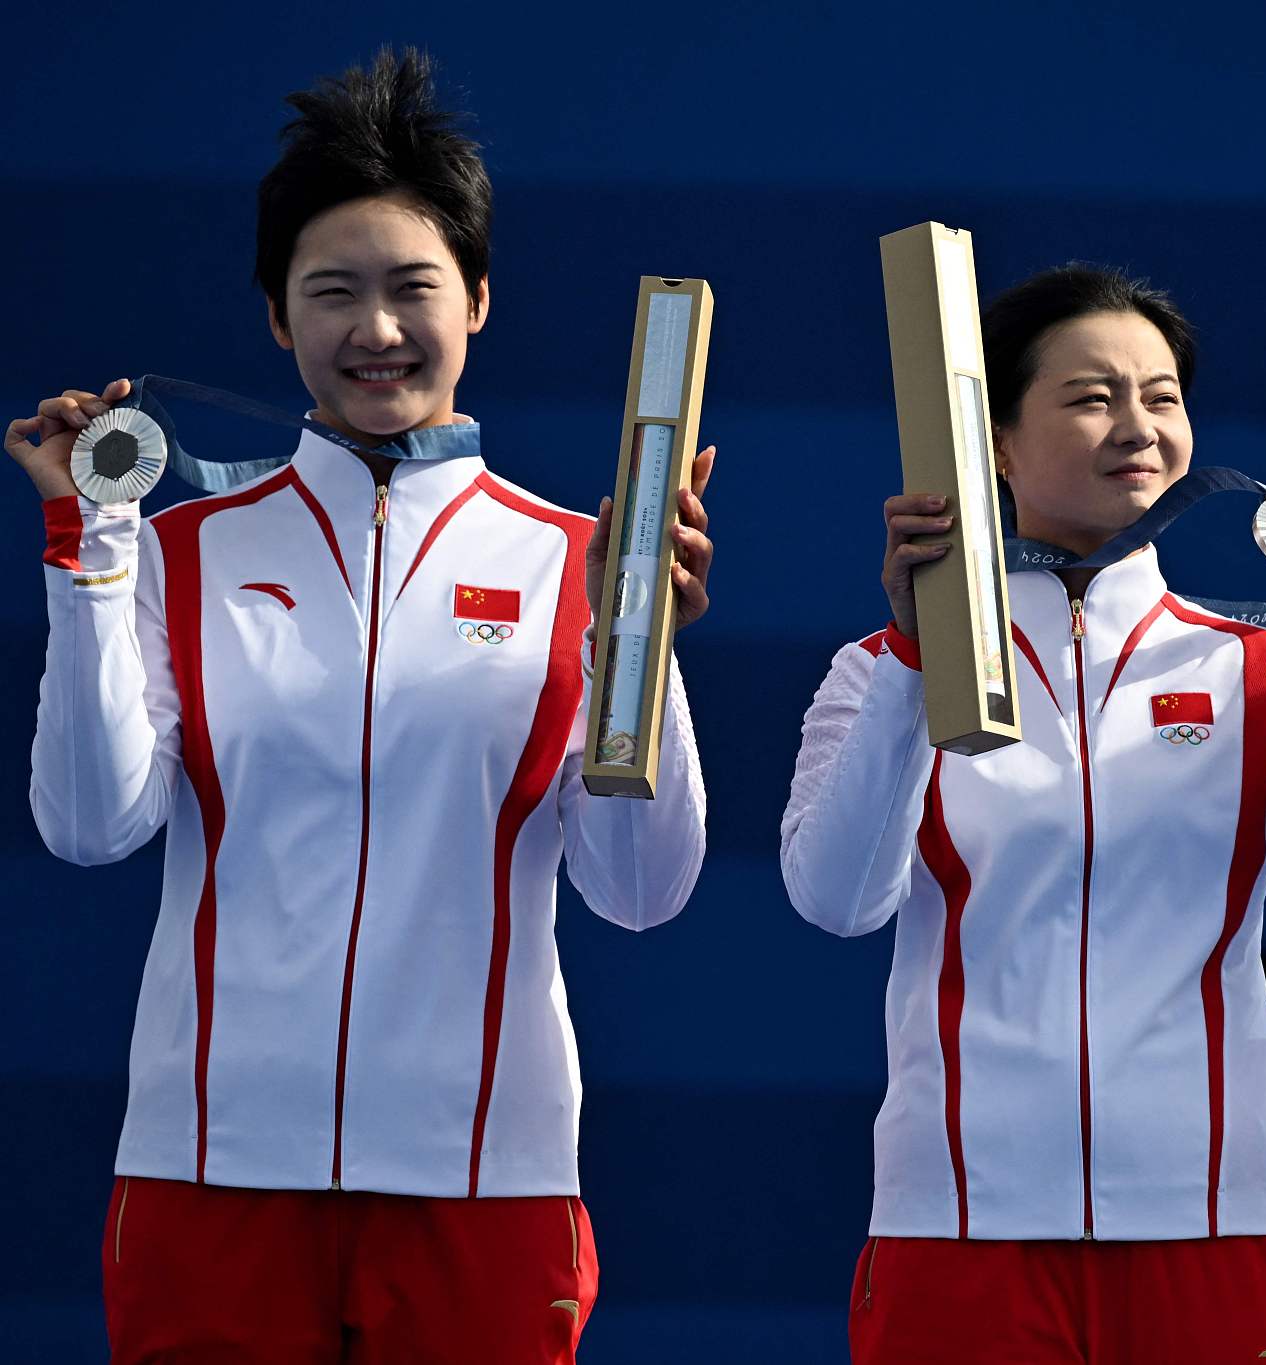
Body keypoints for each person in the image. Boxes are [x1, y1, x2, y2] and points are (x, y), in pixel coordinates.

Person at [5, 48, 713, 1363]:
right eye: (333, 293)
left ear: (481, 300)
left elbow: (640, 888)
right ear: (278, 317)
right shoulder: (182, 551)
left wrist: (643, 644)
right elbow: (92, 826)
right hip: (208, 1165)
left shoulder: (574, 560)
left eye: (413, 290)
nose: (376, 331)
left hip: (487, 1178)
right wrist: (89, 546)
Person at [781, 263, 1266, 1364]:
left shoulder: (1263, 669)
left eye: (1161, 396)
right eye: (1090, 397)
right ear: (987, 439)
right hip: (960, 1226)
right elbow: (839, 901)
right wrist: (914, 653)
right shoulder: (879, 671)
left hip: (1218, 1222)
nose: (1135, 424)